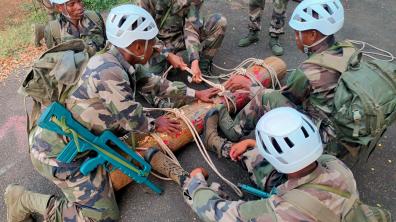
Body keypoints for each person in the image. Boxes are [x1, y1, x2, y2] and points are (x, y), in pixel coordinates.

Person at [4, 5, 218, 221]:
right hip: (57, 155)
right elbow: (132, 119)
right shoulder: (109, 72)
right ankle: (22, 199)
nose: (155, 46)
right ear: (136, 45)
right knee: (103, 217)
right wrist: (154, 124)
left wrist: (194, 95)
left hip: (85, 141)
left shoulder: (117, 57)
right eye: (151, 41)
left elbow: (153, 82)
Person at [204, 0, 357, 158]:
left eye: (298, 32)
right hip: (348, 133)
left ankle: (233, 130)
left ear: (312, 35)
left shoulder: (309, 71)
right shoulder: (348, 49)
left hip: (324, 141)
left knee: (266, 97)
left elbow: (283, 99)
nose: (296, 37)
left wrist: (249, 84)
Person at [183, 107, 391, 221]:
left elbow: (216, 211)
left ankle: (193, 173)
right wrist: (256, 145)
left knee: (206, 199)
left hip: (292, 208)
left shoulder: (282, 212)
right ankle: (219, 145)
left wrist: (196, 183)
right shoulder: (338, 168)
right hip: (314, 198)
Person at [139, 0, 227, 80]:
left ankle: (203, 67)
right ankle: (167, 63)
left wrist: (194, 60)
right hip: (156, 42)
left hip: (180, 37)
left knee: (219, 22)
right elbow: (143, 32)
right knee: (148, 80)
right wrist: (168, 55)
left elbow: (192, 28)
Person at [38, 0, 106, 55]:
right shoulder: (53, 30)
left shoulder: (94, 17)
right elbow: (55, 61)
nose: (79, 7)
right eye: (72, 4)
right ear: (59, 7)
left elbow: (108, 45)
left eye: (79, 1)